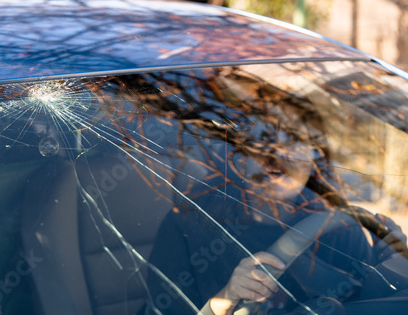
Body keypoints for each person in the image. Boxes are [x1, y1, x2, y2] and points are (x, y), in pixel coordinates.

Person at [143, 103, 407, 315]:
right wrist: (226, 298)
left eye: (292, 143)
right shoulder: (191, 224)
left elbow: (363, 302)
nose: (274, 159)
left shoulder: (337, 223)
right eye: (259, 144)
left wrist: (392, 265)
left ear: (313, 156)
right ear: (237, 156)